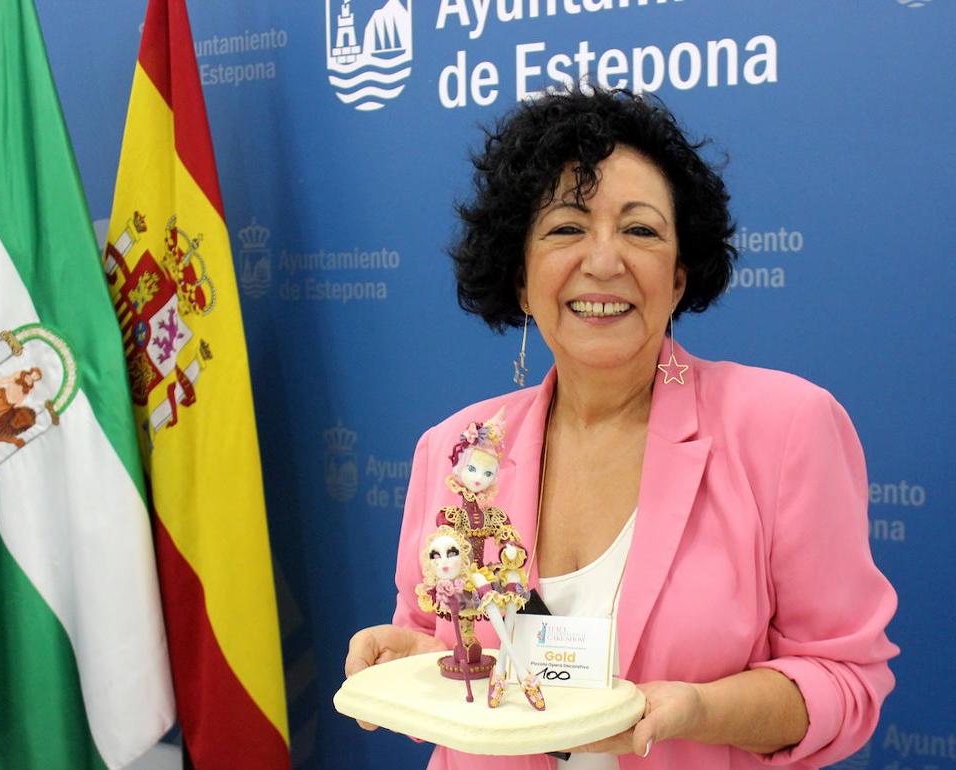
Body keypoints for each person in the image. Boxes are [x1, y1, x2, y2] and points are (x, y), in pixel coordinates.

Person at [345, 88, 898, 770]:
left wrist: (700, 710)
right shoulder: (455, 450)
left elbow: (846, 683)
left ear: (678, 277)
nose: (604, 261)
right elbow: (449, 651)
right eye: (566, 229)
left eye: (640, 230)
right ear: (520, 279)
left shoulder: (787, 428)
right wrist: (420, 660)